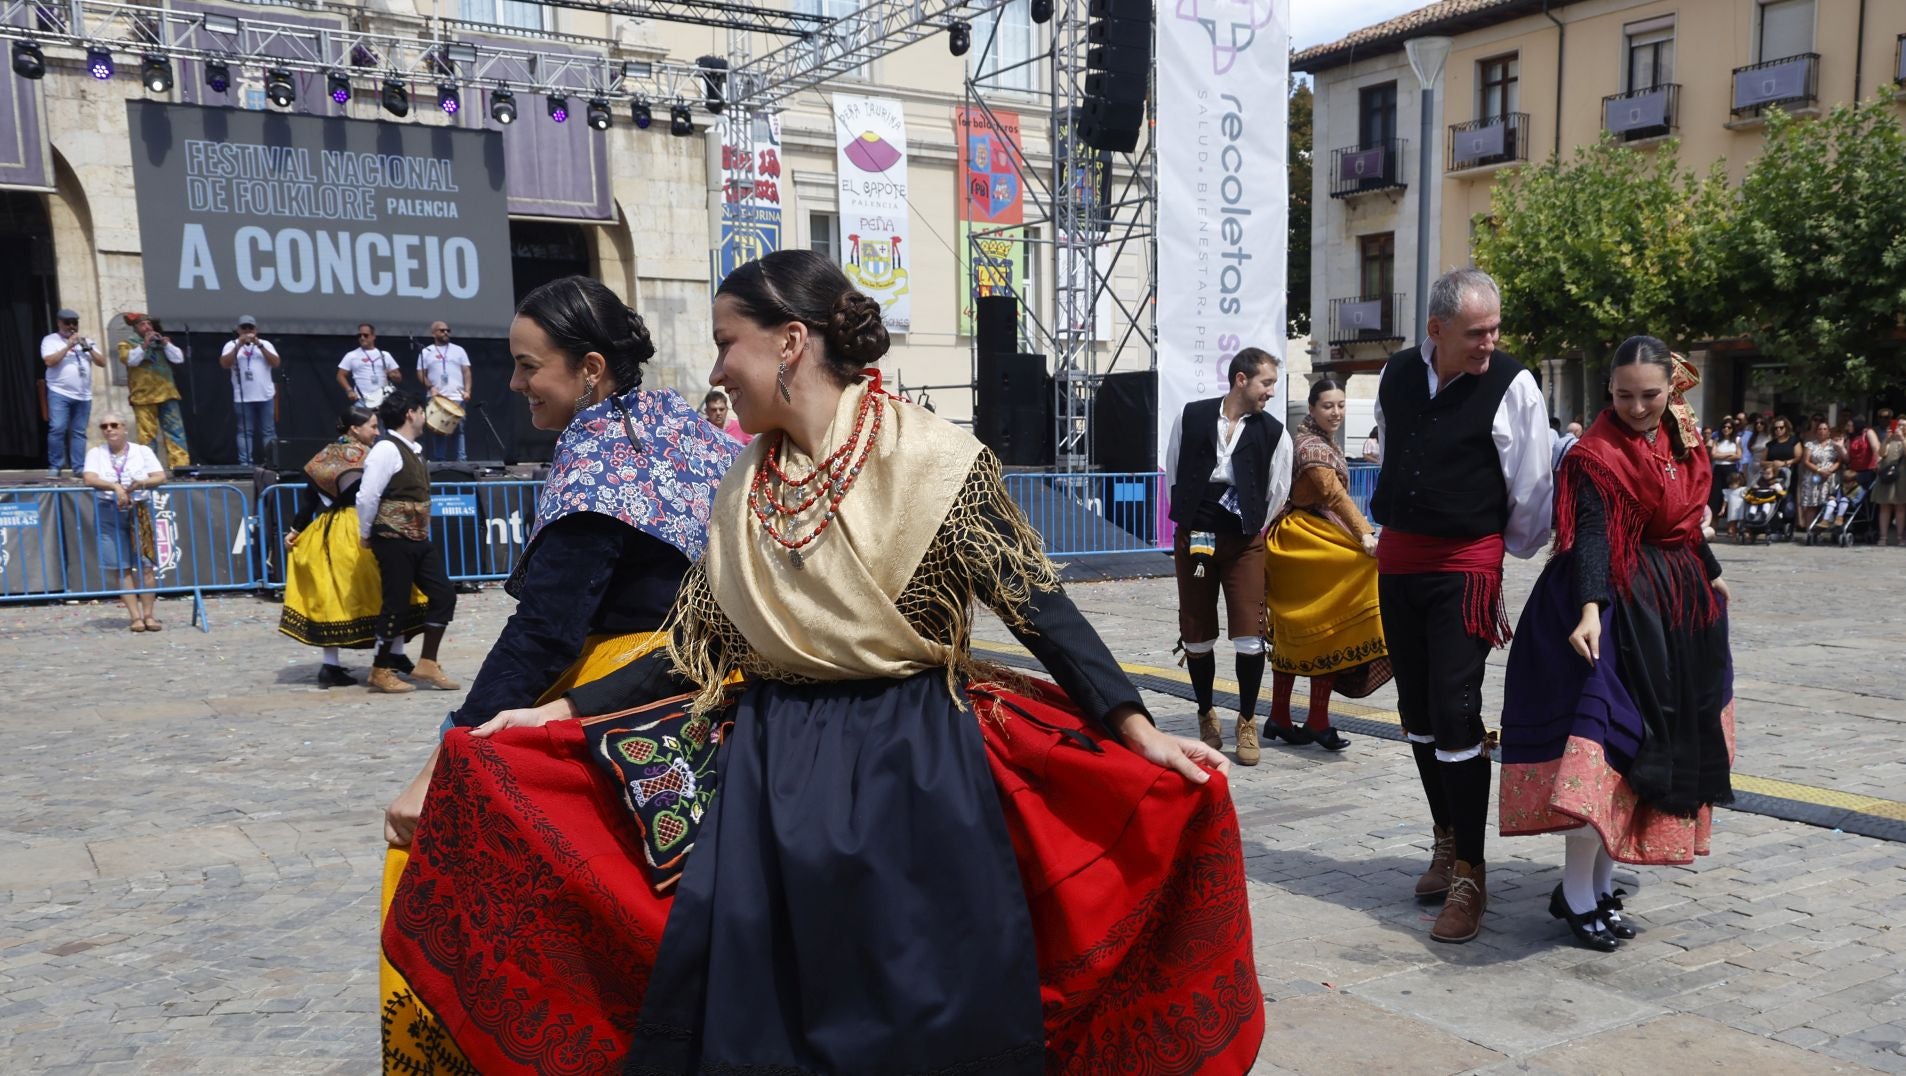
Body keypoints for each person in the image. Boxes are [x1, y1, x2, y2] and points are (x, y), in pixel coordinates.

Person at [381, 250, 1264, 1074]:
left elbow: (1039, 608)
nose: (718, 369)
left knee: (927, 1008)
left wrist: (1137, 728)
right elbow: (696, 649)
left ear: (791, 342)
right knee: (768, 1015)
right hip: (772, 769)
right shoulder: (743, 487)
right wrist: (556, 716)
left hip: (915, 765)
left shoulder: (932, 461)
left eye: (729, 343)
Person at [376, 279, 741, 1069]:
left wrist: (444, 761)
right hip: (714, 698)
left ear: (590, 370)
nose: (513, 384)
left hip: (622, 700)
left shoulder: (600, 464)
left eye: (526, 366)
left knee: (458, 875)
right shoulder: (677, 425)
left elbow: (542, 635)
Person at [1499, 338, 1735, 952]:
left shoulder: (1681, 434)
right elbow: (1593, 537)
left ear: (1673, 387)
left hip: (1674, 607)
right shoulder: (1594, 453)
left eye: (1649, 395)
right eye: (1624, 394)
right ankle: (1578, 893)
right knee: (1601, 750)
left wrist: (1709, 571)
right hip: (1609, 608)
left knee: (1638, 757)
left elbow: (1681, 519)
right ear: (1609, 389)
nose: (1636, 406)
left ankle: (1597, 886)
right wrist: (1589, 610)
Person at [1371, 268, 1554, 944]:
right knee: (1416, 712)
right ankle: (1445, 839)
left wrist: (1494, 549)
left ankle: (1472, 874)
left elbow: (1533, 487)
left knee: (1456, 709)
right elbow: (1393, 452)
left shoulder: (1514, 384)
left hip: (1465, 564)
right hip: (1399, 560)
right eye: (1477, 333)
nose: (1489, 343)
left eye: (1495, 330)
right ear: (1436, 331)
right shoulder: (1395, 376)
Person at [1165, 346, 1292, 766]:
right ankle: (1205, 712)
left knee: (1250, 634)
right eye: (1266, 383)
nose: (1271, 392)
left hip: (1243, 542)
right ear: (1241, 379)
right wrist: (1189, 516)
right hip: (1196, 534)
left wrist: (1251, 519)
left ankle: (1247, 719)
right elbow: (1174, 469)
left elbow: (1277, 490)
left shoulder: (1275, 432)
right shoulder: (1192, 415)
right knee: (1197, 633)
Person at [1262, 377, 1389, 752]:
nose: (1335, 412)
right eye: (1328, 406)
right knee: (1332, 616)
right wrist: (1366, 534)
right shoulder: (1310, 446)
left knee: (1301, 629)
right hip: (1303, 537)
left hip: (1307, 533)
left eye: (1341, 405)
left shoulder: (1315, 441)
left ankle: (1283, 716)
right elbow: (1333, 494)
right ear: (1313, 409)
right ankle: (1311, 719)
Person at [279, 405, 427, 688]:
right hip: (360, 528)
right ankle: (391, 654)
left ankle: (333, 665)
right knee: (391, 588)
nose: (376, 431)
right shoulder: (373, 455)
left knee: (336, 595)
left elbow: (309, 499)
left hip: (329, 532)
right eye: (371, 426)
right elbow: (371, 496)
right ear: (354, 429)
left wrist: (296, 529)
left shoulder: (324, 457)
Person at [356, 389, 459, 694]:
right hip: (391, 536)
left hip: (417, 537)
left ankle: (428, 662)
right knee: (395, 603)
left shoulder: (413, 448)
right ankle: (380, 669)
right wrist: (366, 533)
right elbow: (367, 496)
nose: (425, 415)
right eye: (420, 410)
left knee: (444, 595)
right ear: (410, 413)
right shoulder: (386, 449)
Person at [80, 413, 167, 630]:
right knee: (121, 566)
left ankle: (149, 615)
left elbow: (160, 476)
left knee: (146, 565)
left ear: (124, 427)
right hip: (108, 509)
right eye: (104, 426)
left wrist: (142, 483)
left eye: (113, 425)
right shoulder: (96, 453)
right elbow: (89, 477)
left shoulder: (141, 451)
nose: (109, 429)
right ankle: (135, 617)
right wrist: (115, 486)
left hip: (139, 509)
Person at [118, 315, 191, 469]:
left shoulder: (161, 343)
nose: (147, 327)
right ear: (136, 328)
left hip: (167, 393)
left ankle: (180, 467)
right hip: (143, 396)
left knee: (175, 432)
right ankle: (151, 469)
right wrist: (144, 345)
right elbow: (131, 360)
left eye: (149, 324)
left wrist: (166, 345)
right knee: (147, 436)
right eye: (143, 325)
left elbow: (178, 358)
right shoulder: (126, 344)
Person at [42, 307, 104, 479]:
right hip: (59, 392)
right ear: (59, 323)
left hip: (83, 395)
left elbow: (103, 362)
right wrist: (68, 346)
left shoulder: (87, 341)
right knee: (58, 428)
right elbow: (49, 361)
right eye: (67, 322)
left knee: (79, 432)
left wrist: (88, 348)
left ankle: (79, 467)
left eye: (74, 323)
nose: (71, 326)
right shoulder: (50, 340)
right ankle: (56, 466)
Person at [220, 315, 280, 467]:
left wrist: (259, 345)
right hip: (242, 397)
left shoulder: (265, 344)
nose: (247, 331)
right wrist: (238, 346)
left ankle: (272, 463)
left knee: (268, 431)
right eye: (244, 328)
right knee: (244, 432)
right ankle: (245, 464)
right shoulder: (231, 344)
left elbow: (276, 362)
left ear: (256, 330)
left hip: (265, 395)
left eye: (250, 328)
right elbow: (225, 364)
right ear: (238, 330)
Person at [415, 320, 472, 461]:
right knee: (439, 430)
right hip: (436, 396)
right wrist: (431, 387)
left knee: (459, 429)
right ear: (433, 333)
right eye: (442, 330)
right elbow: (420, 373)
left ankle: (461, 459)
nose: (446, 332)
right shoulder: (426, 351)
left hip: (456, 396)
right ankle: (440, 461)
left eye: (447, 330)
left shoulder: (458, 350)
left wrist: (467, 391)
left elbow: (466, 372)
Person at [1873, 415, 1906, 546]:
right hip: (1887, 475)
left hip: (1903, 476)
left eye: (1903, 425)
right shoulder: (1889, 438)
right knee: (1884, 506)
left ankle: (1900, 537)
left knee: (1901, 508)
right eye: (1898, 424)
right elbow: (1881, 453)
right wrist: (1886, 439)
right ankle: (1883, 537)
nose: (1900, 427)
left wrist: (1902, 439)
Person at [337, 323, 402, 407]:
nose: (362, 338)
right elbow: (340, 375)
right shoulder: (352, 355)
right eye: (359, 335)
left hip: (384, 400)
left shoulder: (385, 355)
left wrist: (392, 375)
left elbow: (399, 377)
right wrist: (349, 391)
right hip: (363, 399)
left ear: (373, 336)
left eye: (365, 335)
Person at [1797, 419, 1841, 530]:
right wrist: (1819, 470)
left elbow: (1839, 461)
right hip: (1813, 476)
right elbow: (1806, 461)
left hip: (1829, 476)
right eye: (1820, 429)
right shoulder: (1810, 444)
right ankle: (1810, 531)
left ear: (1829, 431)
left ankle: (1827, 529)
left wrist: (1829, 471)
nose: (1822, 431)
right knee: (1812, 505)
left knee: (1828, 503)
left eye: (1825, 429)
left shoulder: (1834, 444)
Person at [1709, 418, 1742, 521]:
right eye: (1724, 427)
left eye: (1729, 427)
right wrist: (1729, 454)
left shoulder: (1736, 440)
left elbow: (1738, 456)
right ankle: (1714, 522)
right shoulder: (1716, 440)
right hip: (1718, 469)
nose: (1726, 429)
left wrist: (1721, 455)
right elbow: (1713, 455)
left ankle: (1731, 525)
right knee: (1716, 495)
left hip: (1731, 469)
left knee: (1732, 495)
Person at [1843, 416, 1881, 501]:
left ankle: (1851, 502)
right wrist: (1840, 447)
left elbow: (1876, 448)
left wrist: (1878, 462)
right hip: (1854, 470)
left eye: (1850, 425)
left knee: (1858, 489)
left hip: (1868, 469)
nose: (1847, 428)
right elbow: (1848, 458)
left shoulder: (1868, 432)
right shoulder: (1850, 437)